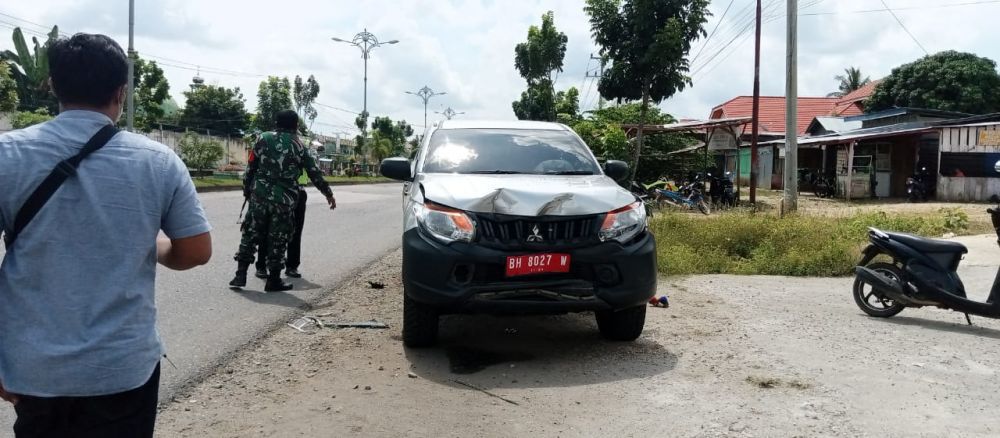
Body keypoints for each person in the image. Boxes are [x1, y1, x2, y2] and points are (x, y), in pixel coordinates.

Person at [0, 33, 212, 437]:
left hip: (35, 371)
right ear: (121, 92)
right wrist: (156, 246)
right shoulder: (159, 161)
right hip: (122, 369)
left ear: (53, 86)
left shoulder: (7, 154)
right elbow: (196, 251)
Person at [229, 110, 335, 292]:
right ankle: (274, 280)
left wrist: (247, 191)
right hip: (283, 200)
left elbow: (250, 168)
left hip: (259, 197)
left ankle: (240, 274)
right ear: (295, 126)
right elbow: (314, 172)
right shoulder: (299, 146)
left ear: (276, 123)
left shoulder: (262, 139)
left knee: (250, 235)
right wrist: (328, 193)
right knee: (278, 239)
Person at [254, 185, 306, 279]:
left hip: (297, 190)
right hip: (274, 189)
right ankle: (262, 266)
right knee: (268, 229)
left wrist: (327, 193)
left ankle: (291, 266)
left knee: (295, 230)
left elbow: (313, 171)